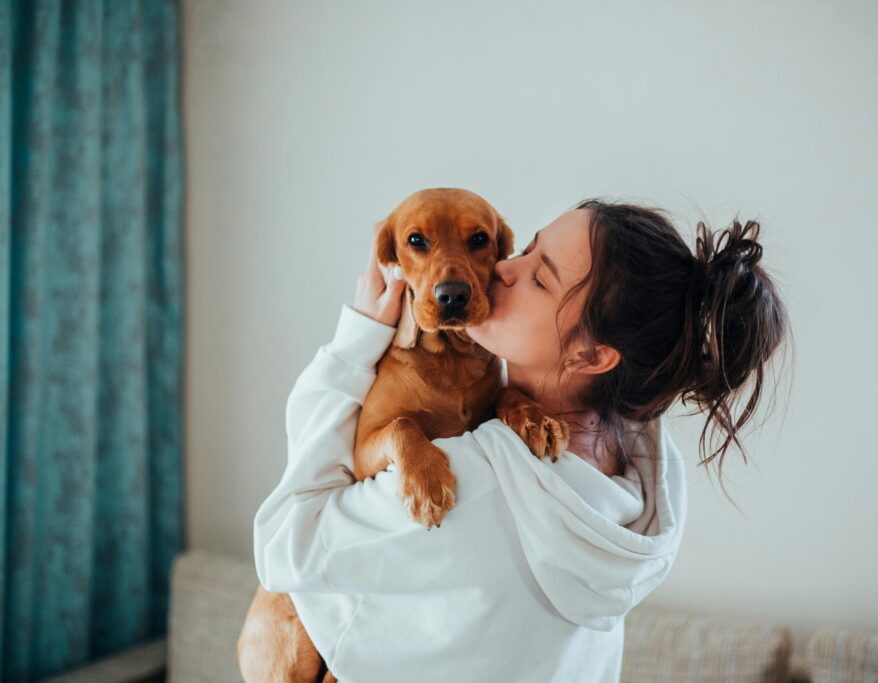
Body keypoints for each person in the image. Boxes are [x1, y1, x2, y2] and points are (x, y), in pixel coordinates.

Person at [252, 198, 791, 683]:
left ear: (592, 356)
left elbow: (283, 546)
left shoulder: (475, 483)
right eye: (528, 248)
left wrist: (354, 344)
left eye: (540, 278)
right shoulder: (646, 471)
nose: (503, 270)